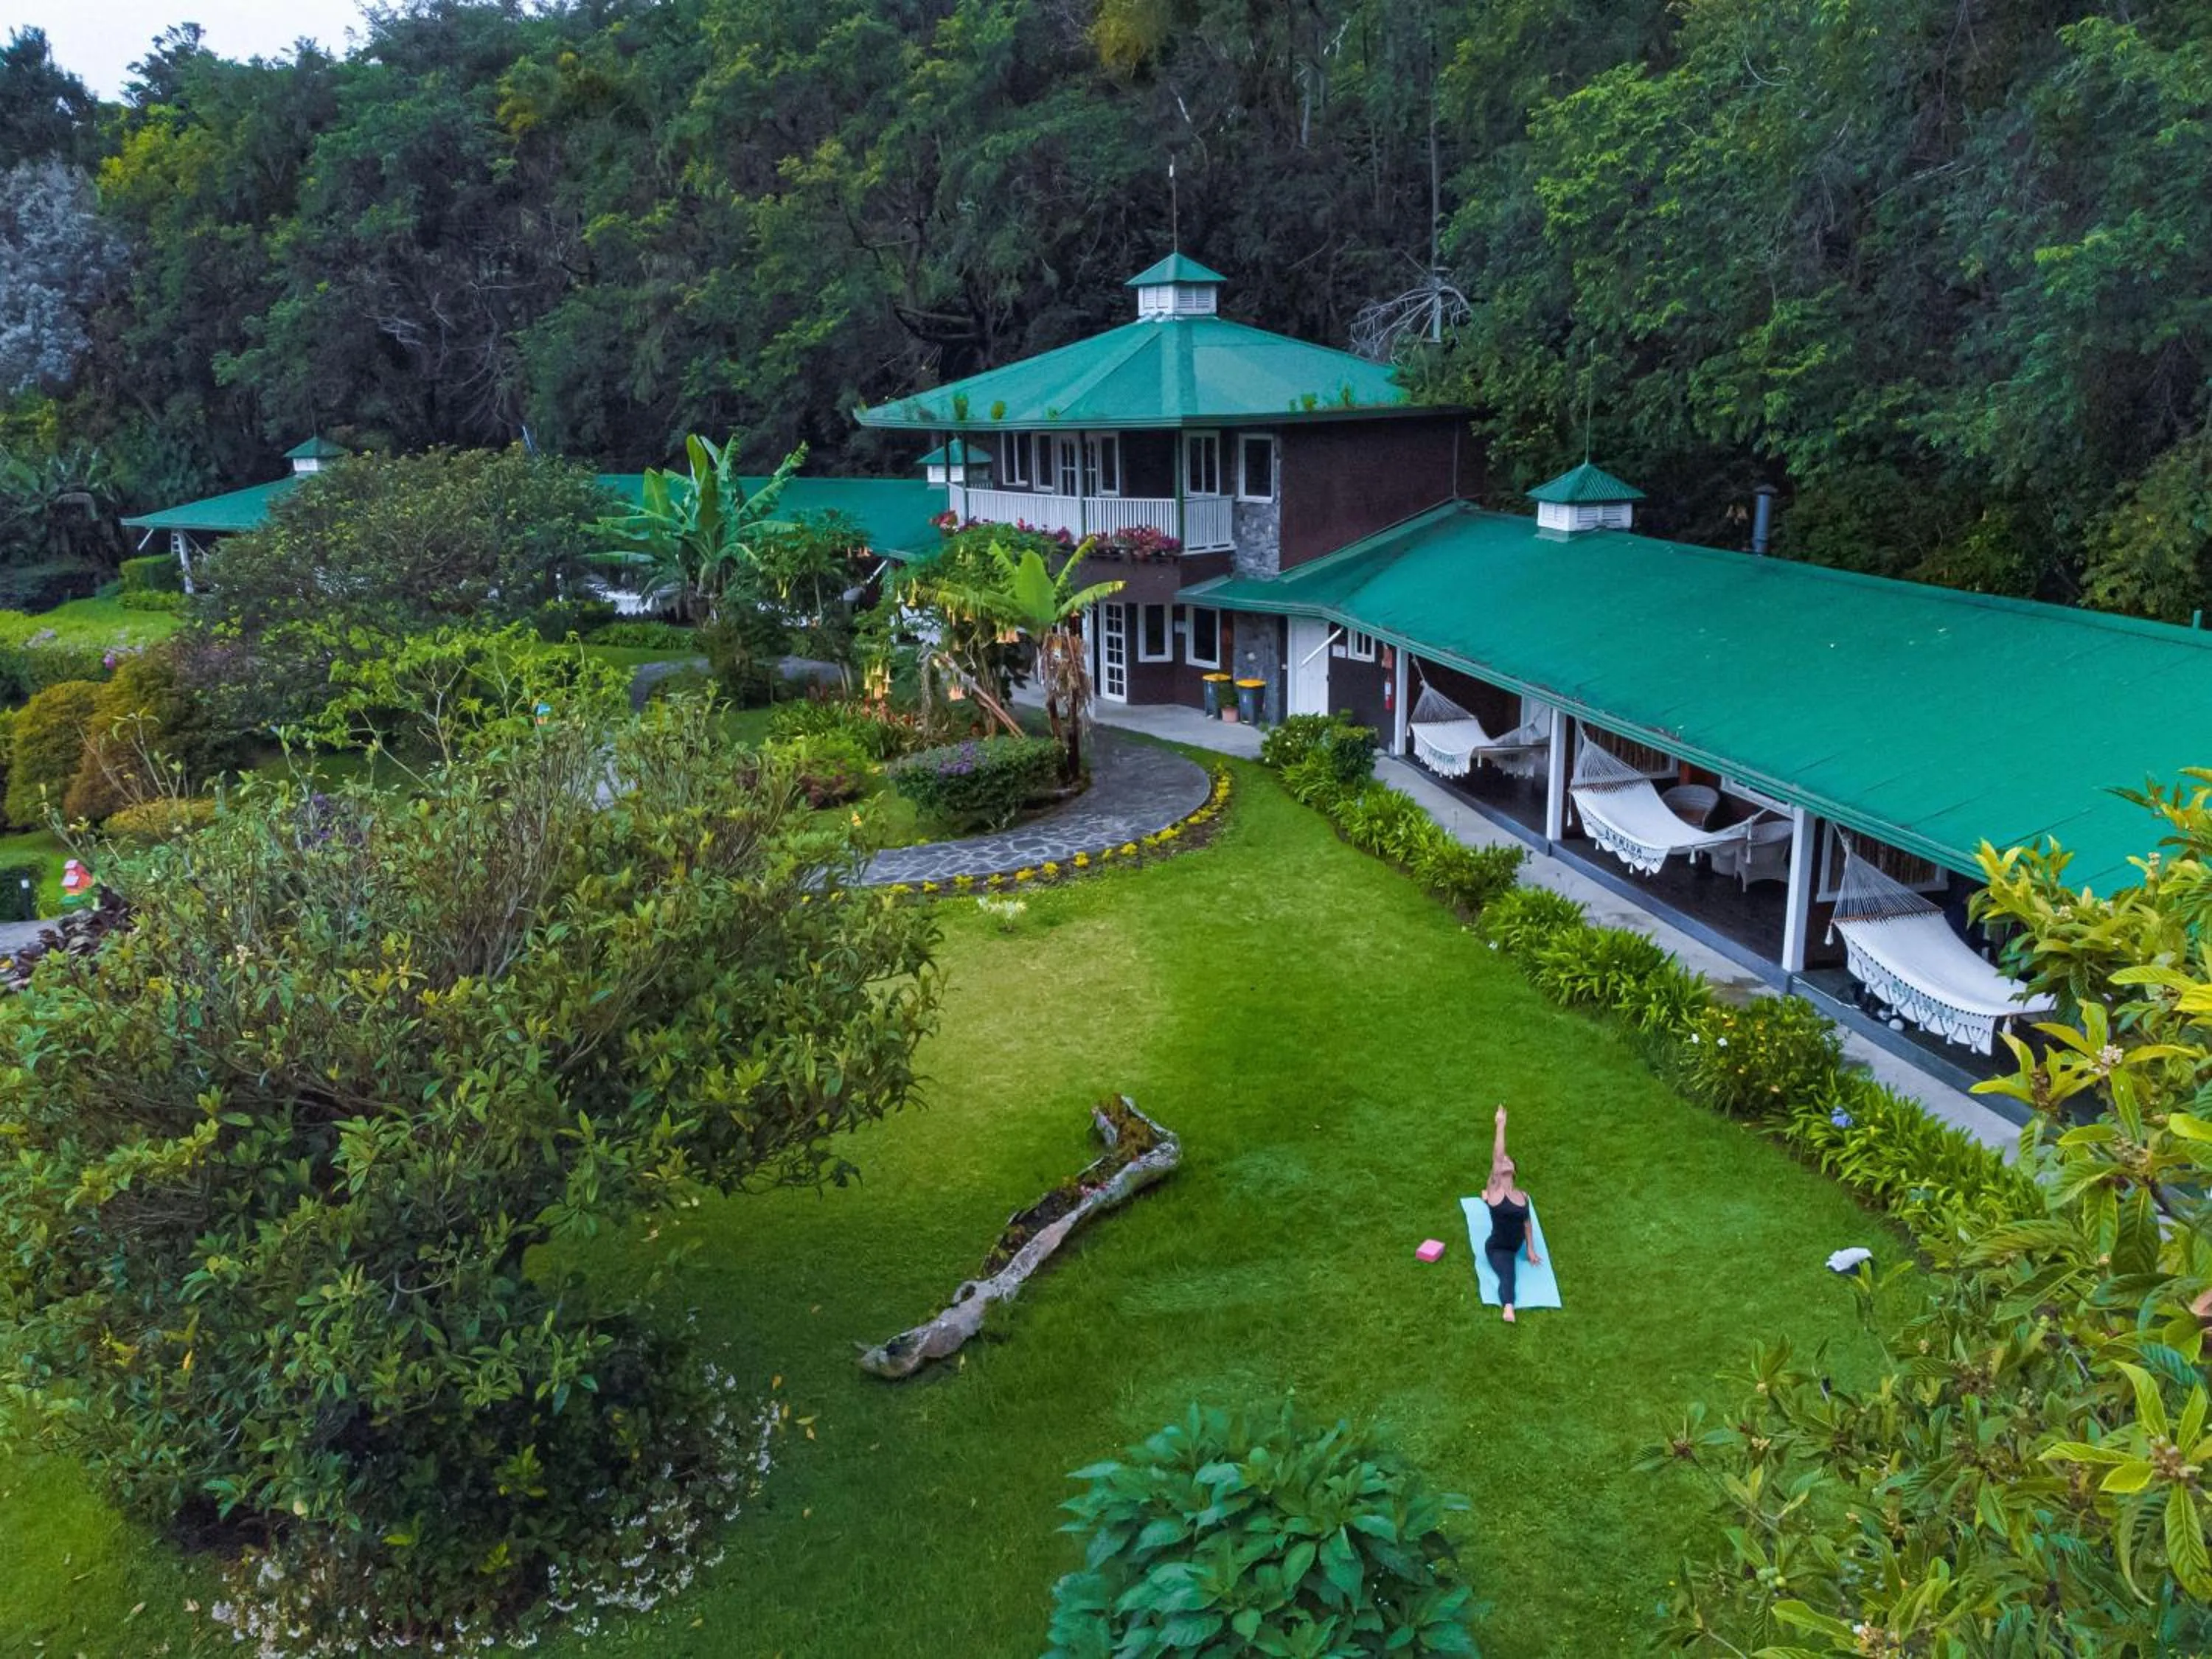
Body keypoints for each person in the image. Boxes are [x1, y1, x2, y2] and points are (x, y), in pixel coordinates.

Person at [1484, 1105, 1541, 1324]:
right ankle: (1509, 1308)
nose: (1504, 1160)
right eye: (1502, 1160)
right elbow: (1497, 1157)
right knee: (1508, 1274)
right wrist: (1501, 1125)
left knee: (1511, 1267)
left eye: (1509, 1160)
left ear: (1515, 1171)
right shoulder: (1495, 1189)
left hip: (1515, 1245)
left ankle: (1509, 1305)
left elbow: (1527, 1222)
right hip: (1498, 1247)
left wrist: (1531, 1249)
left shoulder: (1523, 1196)